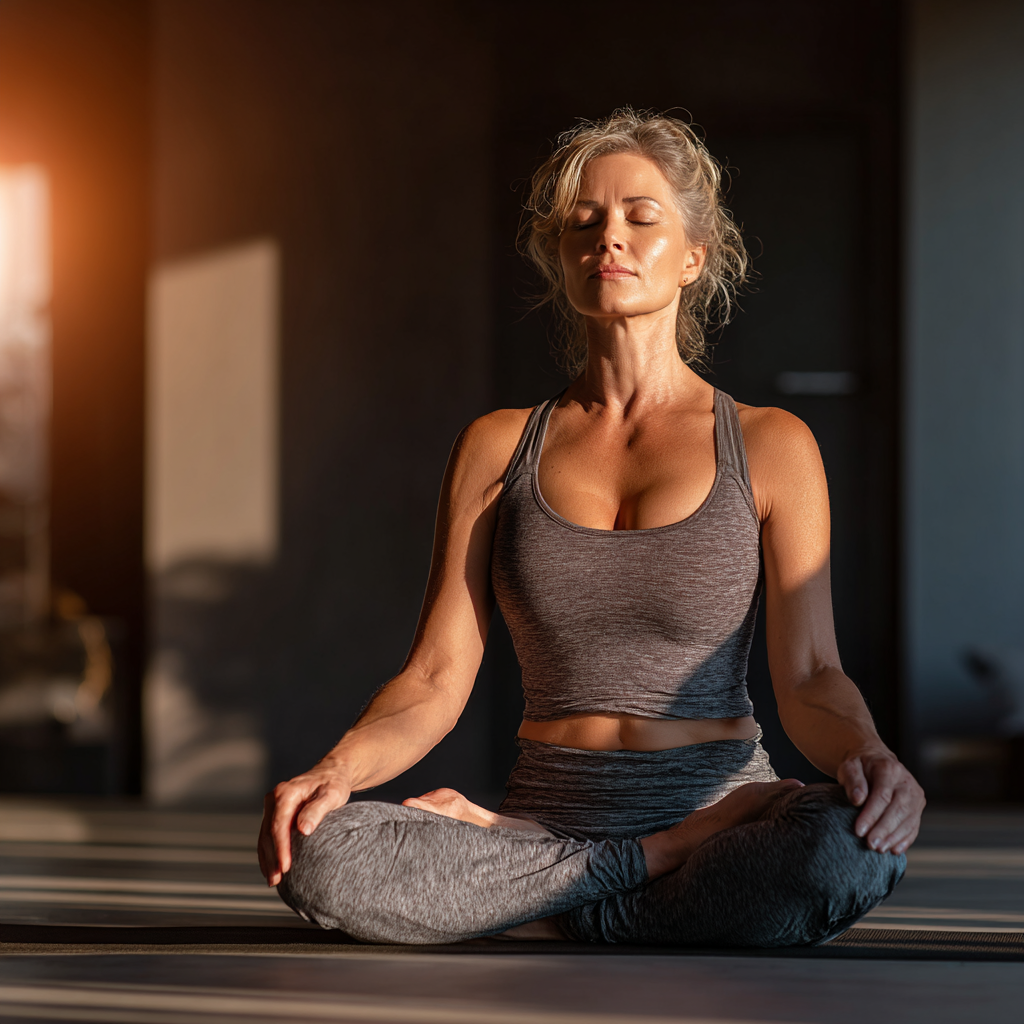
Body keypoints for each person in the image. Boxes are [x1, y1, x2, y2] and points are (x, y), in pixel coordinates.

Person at [257, 108, 924, 947]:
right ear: (561, 256)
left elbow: (814, 675)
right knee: (319, 854)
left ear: (693, 258)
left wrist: (870, 756)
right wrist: (335, 771)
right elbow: (433, 678)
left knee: (849, 849)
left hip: (724, 815)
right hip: (561, 819)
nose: (608, 236)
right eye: (583, 221)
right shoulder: (500, 446)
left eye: (641, 218)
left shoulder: (770, 444)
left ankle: (556, 895)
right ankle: (651, 867)